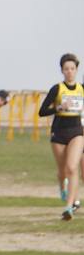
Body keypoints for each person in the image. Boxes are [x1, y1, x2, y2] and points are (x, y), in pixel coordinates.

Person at [39, 54, 83, 219]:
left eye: (72, 68)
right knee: (63, 170)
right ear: (62, 71)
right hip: (58, 132)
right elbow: (42, 111)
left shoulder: (82, 88)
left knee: (72, 168)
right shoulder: (56, 89)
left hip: (76, 131)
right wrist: (58, 107)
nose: (69, 72)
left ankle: (69, 206)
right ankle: (62, 186)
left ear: (76, 70)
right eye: (66, 69)